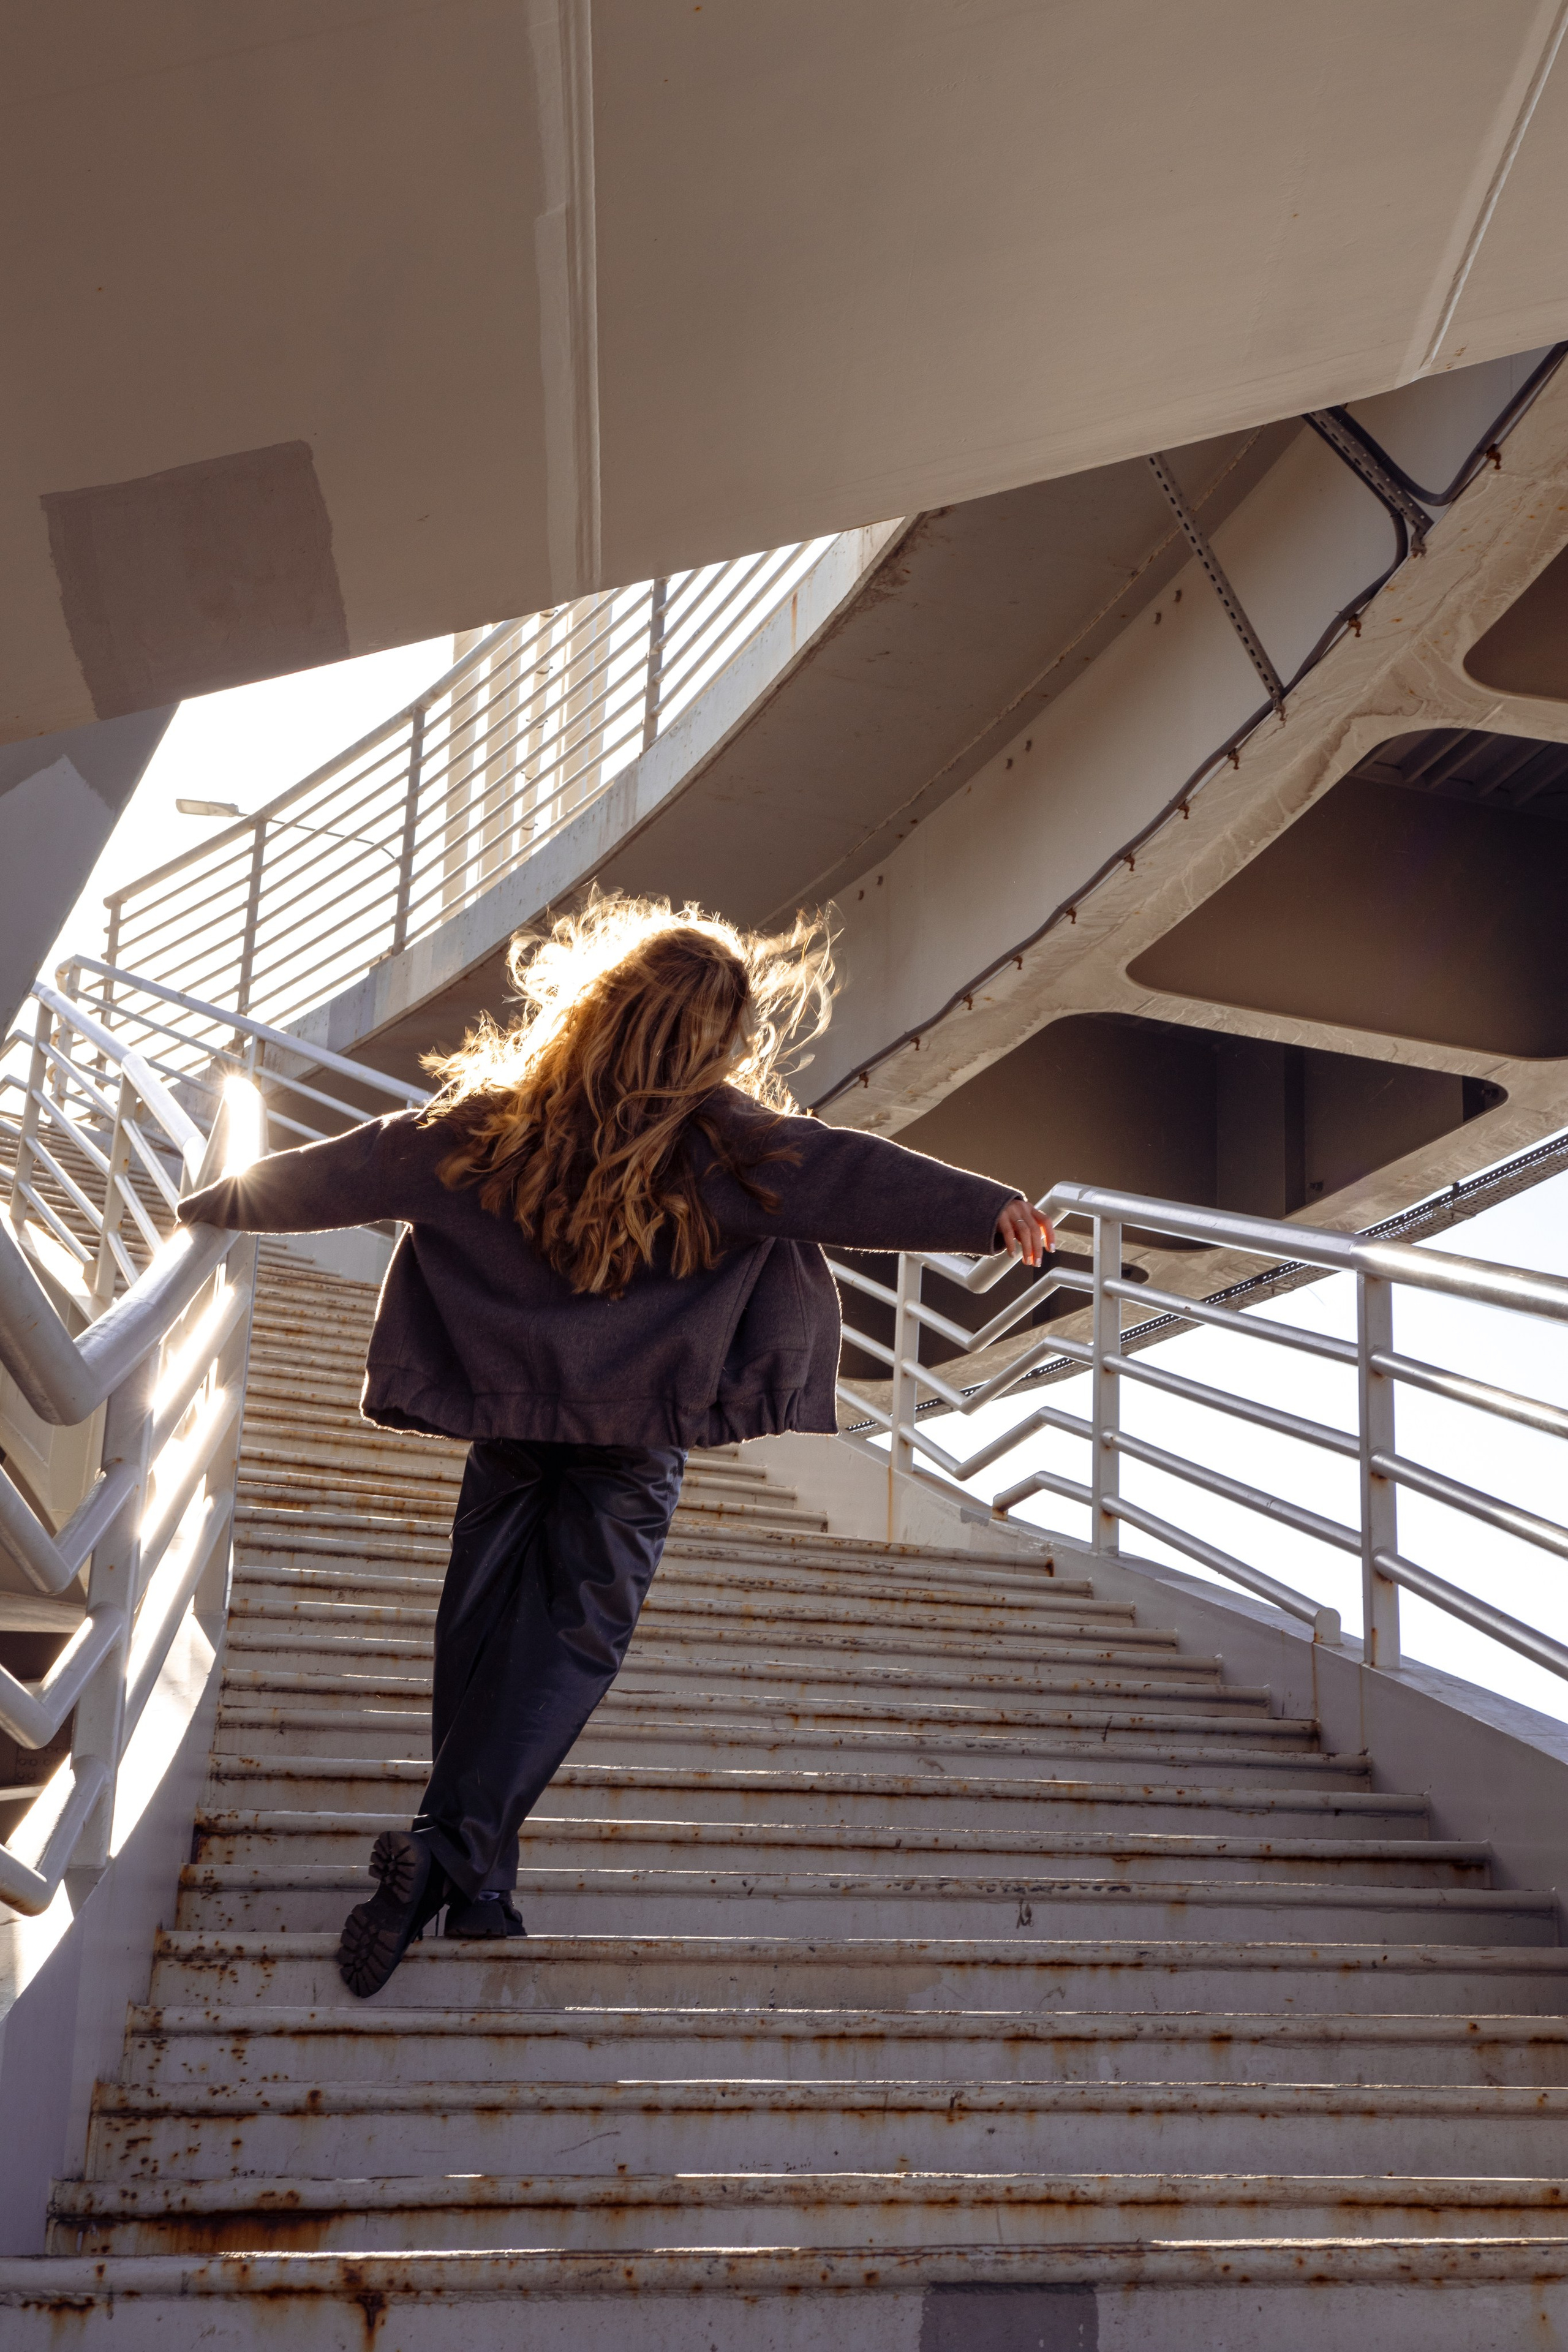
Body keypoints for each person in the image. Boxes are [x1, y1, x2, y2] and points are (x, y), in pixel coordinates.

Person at [179, 893, 1054, 1996]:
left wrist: (212, 1201)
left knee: (485, 1628)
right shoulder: (739, 1149)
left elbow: (356, 1168)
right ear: (717, 1040)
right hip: (633, 1438)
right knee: (569, 1643)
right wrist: (988, 1211)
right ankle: (452, 1856)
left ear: (601, 1004)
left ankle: (483, 1893)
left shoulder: (492, 1125)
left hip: (510, 1418)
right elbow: (853, 1174)